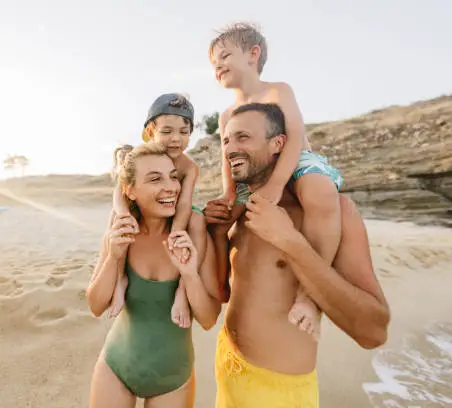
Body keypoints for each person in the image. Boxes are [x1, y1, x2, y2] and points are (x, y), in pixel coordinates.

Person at [204, 103, 390, 407]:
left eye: (243, 138)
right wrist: (219, 236)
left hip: (279, 394)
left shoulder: (333, 213)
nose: (231, 149)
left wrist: (290, 241)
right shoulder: (245, 207)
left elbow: (374, 331)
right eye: (226, 141)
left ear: (278, 144)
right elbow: (224, 293)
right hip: (227, 367)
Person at [209, 22, 344, 339]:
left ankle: (309, 296)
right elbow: (228, 157)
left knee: (320, 192)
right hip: (253, 175)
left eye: (225, 56)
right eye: (213, 63)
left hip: (294, 163)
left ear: (253, 54)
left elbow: (295, 139)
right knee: (217, 217)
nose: (217, 66)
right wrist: (230, 193)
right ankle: (220, 284)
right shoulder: (227, 114)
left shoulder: (278, 91)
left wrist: (275, 186)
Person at [87, 143, 221, 407]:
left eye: (173, 176)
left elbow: (207, 319)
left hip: (172, 378)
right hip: (115, 366)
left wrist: (189, 274)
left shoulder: (193, 235)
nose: (171, 187)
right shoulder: (121, 231)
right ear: (130, 190)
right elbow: (95, 305)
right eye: (155, 179)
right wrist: (113, 257)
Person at [107, 93, 208, 329]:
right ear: (150, 132)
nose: (176, 139)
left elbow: (184, 202)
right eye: (167, 131)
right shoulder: (141, 157)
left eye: (184, 132)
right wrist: (123, 215)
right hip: (147, 207)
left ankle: (183, 291)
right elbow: (119, 192)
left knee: (198, 222)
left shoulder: (189, 167)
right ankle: (121, 279)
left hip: (175, 209)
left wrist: (177, 232)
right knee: (120, 223)